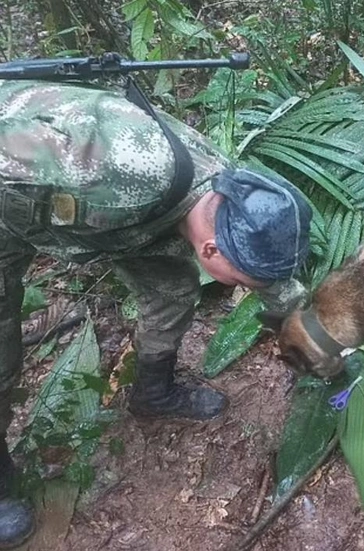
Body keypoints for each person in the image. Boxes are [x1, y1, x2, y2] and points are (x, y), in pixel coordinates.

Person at [0, 78, 312, 548]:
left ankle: (153, 392)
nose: (249, 289)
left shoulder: (227, 193)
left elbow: (268, 273)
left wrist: (316, 333)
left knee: (171, 290)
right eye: (243, 282)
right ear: (211, 248)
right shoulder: (115, 175)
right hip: (13, 201)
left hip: (116, 222)